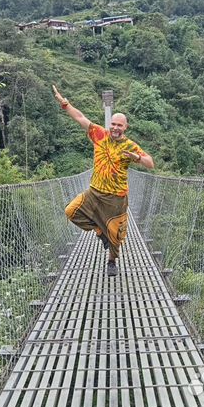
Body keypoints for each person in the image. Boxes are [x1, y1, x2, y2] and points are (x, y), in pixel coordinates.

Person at [52, 85, 154, 277]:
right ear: (111, 125)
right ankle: (100, 231)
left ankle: (111, 261)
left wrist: (136, 157)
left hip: (116, 198)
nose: (115, 128)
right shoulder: (100, 135)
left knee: (115, 236)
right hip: (95, 192)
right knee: (71, 211)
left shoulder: (130, 145)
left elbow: (150, 163)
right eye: (113, 124)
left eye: (120, 125)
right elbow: (80, 118)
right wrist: (64, 103)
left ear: (125, 127)